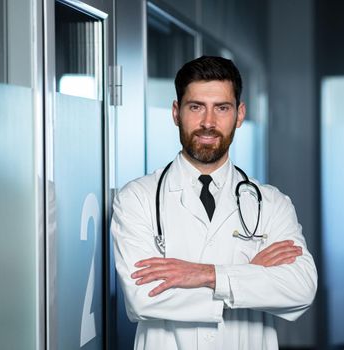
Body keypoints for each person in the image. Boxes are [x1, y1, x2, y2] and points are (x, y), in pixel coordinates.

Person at [111, 56, 317, 350]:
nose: (208, 122)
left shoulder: (272, 203)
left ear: (240, 114)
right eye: (196, 107)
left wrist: (207, 275)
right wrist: (251, 276)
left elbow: (300, 289)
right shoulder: (137, 199)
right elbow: (143, 298)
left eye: (222, 108)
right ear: (176, 113)